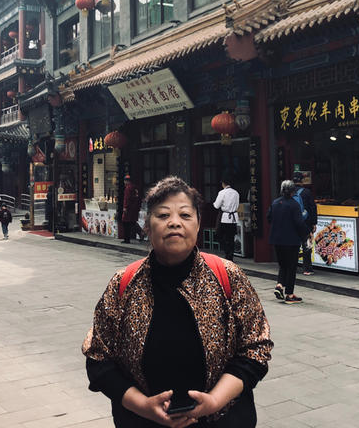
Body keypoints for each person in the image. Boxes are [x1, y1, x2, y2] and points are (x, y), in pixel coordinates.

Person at [83, 176, 273, 428]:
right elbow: (98, 356)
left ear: (198, 224)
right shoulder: (124, 283)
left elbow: (255, 347)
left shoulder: (228, 276)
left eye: (185, 215)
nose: (174, 222)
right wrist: (142, 406)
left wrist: (215, 401)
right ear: (147, 225)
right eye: (163, 215)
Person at [267, 180, 308, 304]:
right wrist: (306, 234)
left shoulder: (275, 203)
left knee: (283, 265)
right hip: (291, 240)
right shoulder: (294, 205)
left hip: (277, 239)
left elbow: (269, 218)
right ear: (292, 191)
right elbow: (299, 223)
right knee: (291, 267)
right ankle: (289, 294)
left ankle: (279, 285)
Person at [292, 171, 318, 276]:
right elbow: (312, 208)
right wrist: (314, 223)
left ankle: (293, 267)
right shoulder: (307, 192)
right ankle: (307, 269)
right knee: (307, 245)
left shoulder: (289, 192)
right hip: (305, 223)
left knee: (293, 246)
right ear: (302, 180)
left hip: (293, 223)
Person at [213, 176, 240, 261]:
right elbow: (237, 205)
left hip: (225, 217)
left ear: (223, 183)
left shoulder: (222, 192)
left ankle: (227, 253)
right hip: (234, 218)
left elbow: (216, 205)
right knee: (231, 238)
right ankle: (230, 256)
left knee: (219, 236)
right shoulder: (236, 193)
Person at [120, 175, 142, 243]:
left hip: (129, 209)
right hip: (134, 208)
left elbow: (127, 199)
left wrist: (125, 207)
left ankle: (127, 239)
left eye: (125, 181)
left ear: (126, 181)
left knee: (126, 223)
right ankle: (141, 233)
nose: (124, 182)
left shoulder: (128, 188)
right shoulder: (135, 187)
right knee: (132, 222)